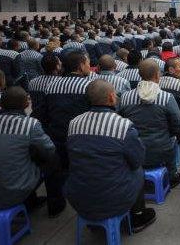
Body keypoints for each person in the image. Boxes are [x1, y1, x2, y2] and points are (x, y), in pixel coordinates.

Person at [65, 80, 156, 232]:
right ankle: (137, 216)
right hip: (113, 199)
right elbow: (137, 159)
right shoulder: (123, 126)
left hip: (77, 197)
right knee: (138, 170)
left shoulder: (74, 123)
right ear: (112, 97)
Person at [0, 87, 56, 213]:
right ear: (26, 103)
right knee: (53, 160)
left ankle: (32, 200)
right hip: (15, 191)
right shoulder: (30, 125)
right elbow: (49, 150)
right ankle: (55, 206)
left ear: (0, 104)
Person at [40, 50, 91, 217]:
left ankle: (55, 204)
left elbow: (44, 113)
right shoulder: (89, 86)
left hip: (57, 136)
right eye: (88, 62)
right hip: (82, 138)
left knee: (55, 170)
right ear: (81, 65)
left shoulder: (51, 86)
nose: (89, 65)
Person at [119, 60, 180, 187]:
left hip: (133, 151)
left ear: (139, 74)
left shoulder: (125, 97)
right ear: (157, 75)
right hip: (161, 151)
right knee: (173, 139)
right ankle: (171, 175)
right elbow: (178, 126)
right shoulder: (167, 97)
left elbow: (121, 122)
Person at [28, 54, 61, 121]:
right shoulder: (61, 83)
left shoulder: (32, 82)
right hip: (53, 118)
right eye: (59, 61)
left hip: (36, 117)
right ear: (57, 66)